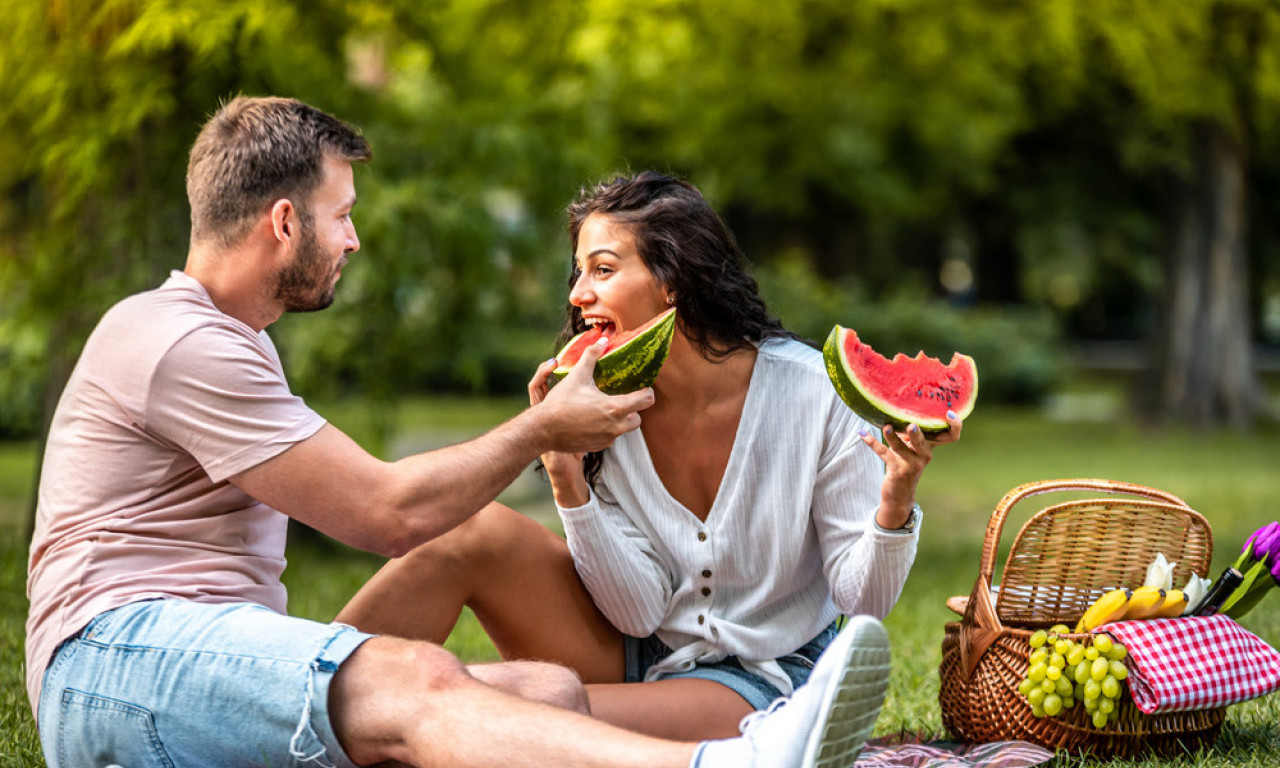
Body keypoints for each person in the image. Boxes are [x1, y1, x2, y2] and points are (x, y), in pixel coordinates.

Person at [24, 97, 893, 768]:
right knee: (412, 680)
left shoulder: (231, 342)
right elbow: (386, 512)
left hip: (197, 663)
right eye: (341, 214)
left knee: (545, 691)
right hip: (116, 656)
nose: (353, 239)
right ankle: (725, 762)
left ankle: (361, 716)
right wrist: (545, 435)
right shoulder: (177, 340)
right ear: (285, 222)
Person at [337, 171, 962, 742]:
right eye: (578, 273)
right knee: (464, 534)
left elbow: (862, 602)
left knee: (502, 705)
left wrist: (894, 505)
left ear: (674, 281)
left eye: (603, 270)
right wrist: (566, 477)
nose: (579, 294)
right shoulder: (602, 405)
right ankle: (300, 692)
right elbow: (637, 613)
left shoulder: (815, 394)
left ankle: (373, 708)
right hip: (634, 645)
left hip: (763, 677)